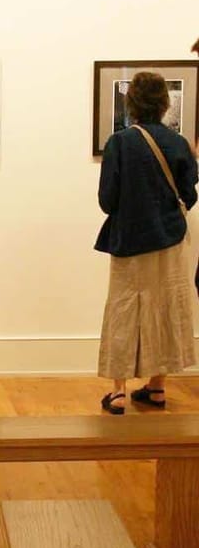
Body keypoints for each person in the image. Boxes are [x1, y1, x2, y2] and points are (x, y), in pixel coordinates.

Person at [96, 71, 198, 414]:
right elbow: (189, 193)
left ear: (133, 103)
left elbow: (107, 201)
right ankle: (157, 388)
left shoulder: (120, 143)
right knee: (165, 308)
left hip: (130, 240)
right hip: (169, 239)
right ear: (164, 104)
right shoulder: (179, 143)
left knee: (126, 310)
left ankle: (119, 392)